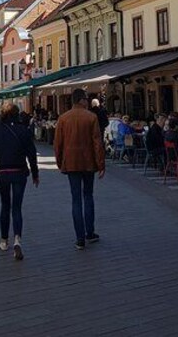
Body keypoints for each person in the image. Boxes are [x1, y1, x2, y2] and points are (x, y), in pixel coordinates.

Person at [53, 88, 105, 250]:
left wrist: (60, 162)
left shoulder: (63, 118)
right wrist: (101, 164)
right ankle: (90, 232)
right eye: (86, 99)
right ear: (81, 100)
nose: (88, 102)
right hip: (88, 163)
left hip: (71, 163)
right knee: (88, 196)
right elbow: (97, 143)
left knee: (76, 199)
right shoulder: (91, 117)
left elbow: (57, 144)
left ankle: (79, 238)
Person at [0, 102, 39, 261]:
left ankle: (4, 240)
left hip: (3, 171)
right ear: (17, 114)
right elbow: (31, 154)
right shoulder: (24, 130)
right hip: (19, 171)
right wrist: (35, 173)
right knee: (17, 207)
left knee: (5, 206)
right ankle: (17, 238)